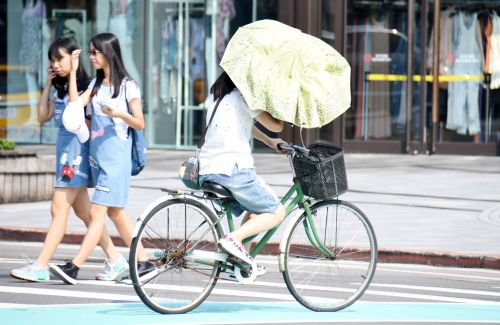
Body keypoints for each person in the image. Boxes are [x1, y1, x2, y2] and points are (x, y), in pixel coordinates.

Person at [10, 37, 127, 283]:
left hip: (76, 155)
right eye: (52, 60)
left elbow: (86, 120)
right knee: (85, 213)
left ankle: (41, 265)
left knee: (58, 208)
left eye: (59, 59)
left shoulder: (85, 85)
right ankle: (116, 259)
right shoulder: (59, 88)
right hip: (65, 154)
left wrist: (72, 74)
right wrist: (47, 84)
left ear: (74, 58)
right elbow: (42, 116)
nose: (55, 64)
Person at [48, 33, 150, 284]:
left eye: (95, 52)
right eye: (90, 52)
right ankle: (146, 263)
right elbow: (74, 107)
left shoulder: (128, 86)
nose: (92, 57)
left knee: (97, 212)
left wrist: (118, 113)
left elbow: (140, 123)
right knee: (116, 214)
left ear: (109, 53)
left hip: (117, 160)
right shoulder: (95, 84)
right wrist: (72, 72)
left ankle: (74, 266)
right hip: (98, 159)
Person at [198, 71, 286, 276]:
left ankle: (241, 263)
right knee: (276, 211)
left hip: (209, 168)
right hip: (233, 169)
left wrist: (268, 141)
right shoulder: (246, 97)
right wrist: (281, 106)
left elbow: (243, 121)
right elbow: (276, 125)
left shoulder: (220, 96)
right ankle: (233, 240)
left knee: (255, 210)